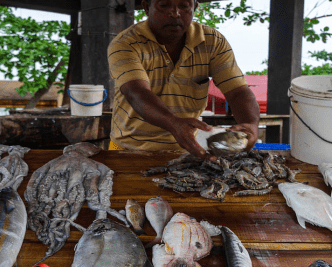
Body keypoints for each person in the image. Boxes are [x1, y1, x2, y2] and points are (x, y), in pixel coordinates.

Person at [107, 0, 260, 161]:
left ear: (194, 7)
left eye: (184, 6)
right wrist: (174, 123)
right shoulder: (125, 43)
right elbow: (136, 92)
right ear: (146, 7)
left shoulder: (213, 42)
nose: (175, 13)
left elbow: (237, 91)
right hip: (127, 151)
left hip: (189, 151)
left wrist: (250, 123)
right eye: (164, 5)